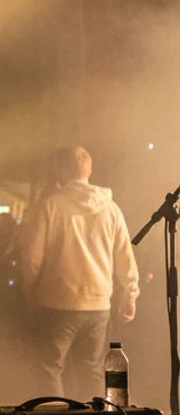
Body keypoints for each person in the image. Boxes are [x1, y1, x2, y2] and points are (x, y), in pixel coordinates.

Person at [20, 145, 139, 399]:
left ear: (60, 170)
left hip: (56, 303)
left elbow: (32, 259)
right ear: (89, 169)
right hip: (98, 306)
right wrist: (130, 295)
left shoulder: (50, 207)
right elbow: (125, 257)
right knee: (92, 372)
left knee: (49, 370)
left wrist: (30, 291)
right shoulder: (111, 209)